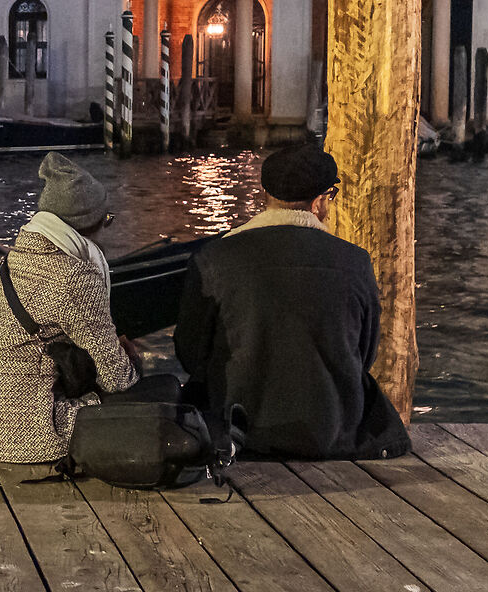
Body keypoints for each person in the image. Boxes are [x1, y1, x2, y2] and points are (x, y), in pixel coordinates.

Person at [174, 142, 410, 460]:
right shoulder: (355, 261)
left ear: (264, 195)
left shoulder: (213, 257)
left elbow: (190, 353)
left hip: (240, 431)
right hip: (331, 431)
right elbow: (364, 355)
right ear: (320, 202)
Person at [0, 153, 141, 464]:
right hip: (30, 430)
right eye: (107, 220)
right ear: (87, 224)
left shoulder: (10, 261)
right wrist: (134, 359)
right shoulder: (74, 275)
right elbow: (117, 379)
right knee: (160, 393)